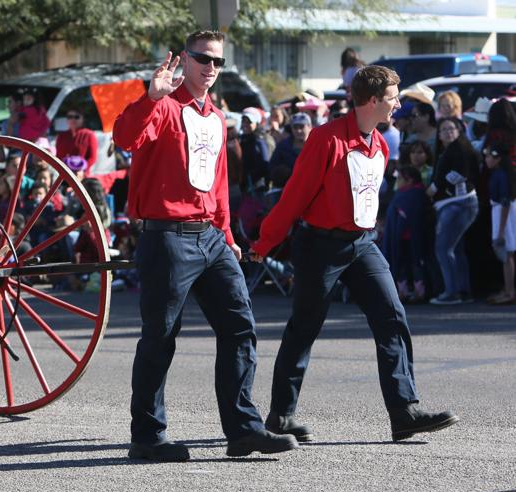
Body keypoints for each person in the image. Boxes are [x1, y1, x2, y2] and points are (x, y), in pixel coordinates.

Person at [112, 30, 298, 462]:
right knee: (160, 337)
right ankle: (147, 436)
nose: (210, 67)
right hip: (167, 237)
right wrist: (151, 96)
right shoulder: (164, 107)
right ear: (185, 60)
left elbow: (218, 188)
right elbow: (125, 137)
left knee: (240, 327)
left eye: (217, 61)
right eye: (202, 59)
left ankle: (244, 430)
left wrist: (229, 237)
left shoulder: (216, 118)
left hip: (211, 237)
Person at [249, 65, 458, 443]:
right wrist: (263, 244)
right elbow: (294, 196)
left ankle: (404, 411)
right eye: (394, 98)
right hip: (319, 246)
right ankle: (281, 416)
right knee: (305, 327)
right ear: (373, 100)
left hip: (361, 244)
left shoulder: (378, 142)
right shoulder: (326, 140)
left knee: (391, 315)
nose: (398, 105)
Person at [427, 117, 480, 305]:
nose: (448, 132)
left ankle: (452, 293)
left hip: (459, 202)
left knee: (443, 248)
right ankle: (463, 291)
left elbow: (457, 176)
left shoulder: (461, 150)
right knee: (456, 249)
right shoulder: (448, 150)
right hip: (455, 203)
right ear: (439, 134)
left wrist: (434, 187)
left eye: (452, 128)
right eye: (444, 129)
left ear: (459, 131)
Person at [383, 166, 429, 302]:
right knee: (403, 263)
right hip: (403, 237)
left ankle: (419, 292)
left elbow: (409, 215)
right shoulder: (405, 193)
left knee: (414, 263)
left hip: (411, 236)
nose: (398, 181)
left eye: (401, 179)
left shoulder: (414, 194)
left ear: (409, 180)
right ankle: (402, 291)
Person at [483, 142, 515, 305]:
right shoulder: (499, 173)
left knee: (507, 253)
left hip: (504, 213)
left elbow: (505, 201)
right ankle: (508, 288)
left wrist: (501, 230)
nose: (486, 159)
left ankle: (510, 291)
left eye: (489, 155)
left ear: (497, 158)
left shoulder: (501, 175)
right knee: (506, 254)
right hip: (500, 210)